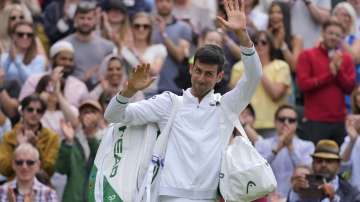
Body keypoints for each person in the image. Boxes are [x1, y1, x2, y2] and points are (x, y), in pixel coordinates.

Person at [104, 0, 262, 200]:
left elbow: (254, 76)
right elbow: (113, 115)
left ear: (219, 77)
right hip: (167, 195)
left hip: (208, 197)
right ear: (190, 69)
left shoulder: (226, 106)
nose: (201, 78)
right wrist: (129, 91)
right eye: (198, 71)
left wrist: (243, 36)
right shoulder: (168, 102)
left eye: (208, 74)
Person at [297, 19, 356, 146]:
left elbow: (350, 88)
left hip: (340, 121)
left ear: (342, 38)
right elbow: (303, 85)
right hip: (315, 121)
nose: (334, 37)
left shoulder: (346, 59)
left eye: (337, 35)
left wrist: (338, 70)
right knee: (314, 162)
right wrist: (330, 74)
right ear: (323, 33)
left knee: (340, 163)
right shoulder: (307, 55)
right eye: (331, 33)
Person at [230, 31, 291, 137]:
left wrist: (257, 67)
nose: (259, 45)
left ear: (270, 45)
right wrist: (250, 64)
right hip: (244, 125)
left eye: (263, 42)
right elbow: (234, 98)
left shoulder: (281, 66)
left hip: (272, 125)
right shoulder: (238, 67)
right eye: (255, 43)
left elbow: (275, 94)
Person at [255, 104, 314, 199]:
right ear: (275, 122)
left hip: (296, 198)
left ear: (296, 124)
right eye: (282, 119)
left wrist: (291, 148)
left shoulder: (307, 146)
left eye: (291, 120)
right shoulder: (261, 144)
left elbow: (306, 173)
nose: (286, 123)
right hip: (268, 198)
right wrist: (275, 150)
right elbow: (256, 170)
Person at [0, 94, 60, 180]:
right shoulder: (9, 136)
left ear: (42, 114)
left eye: (39, 111)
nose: (34, 113)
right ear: (22, 111)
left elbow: (49, 170)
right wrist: (18, 147)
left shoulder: (52, 137)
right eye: (30, 109)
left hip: (41, 188)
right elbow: (3, 169)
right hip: (14, 186)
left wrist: (36, 147)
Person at [55, 100, 104, 202]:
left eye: (93, 112)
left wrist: (91, 136)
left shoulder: (107, 137)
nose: (88, 115)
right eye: (85, 112)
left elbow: (103, 163)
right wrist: (68, 143)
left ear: (100, 117)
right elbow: (61, 168)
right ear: (79, 117)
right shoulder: (72, 139)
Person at [19, 40, 89, 108]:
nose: (67, 63)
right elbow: (22, 105)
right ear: (52, 60)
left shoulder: (80, 86)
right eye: (63, 59)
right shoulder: (34, 79)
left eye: (71, 60)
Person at [288, 140, 360, 202]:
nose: (323, 165)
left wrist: (333, 198)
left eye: (329, 161)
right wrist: (295, 192)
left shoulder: (351, 192)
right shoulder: (304, 186)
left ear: (338, 165)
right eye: (319, 161)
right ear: (313, 164)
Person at [64, 1, 114, 88]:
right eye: (82, 18)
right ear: (75, 19)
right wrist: (84, 78)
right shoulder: (65, 45)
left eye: (89, 18)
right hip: (71, 91)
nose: (85, 22)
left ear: (95, 20)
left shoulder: (107, 46)